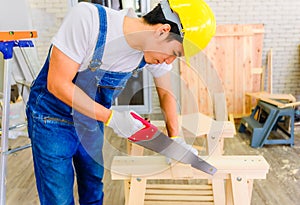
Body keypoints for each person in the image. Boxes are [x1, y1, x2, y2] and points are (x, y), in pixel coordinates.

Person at [26, 0, 216, 204]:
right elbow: (58, 84)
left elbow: (166, 93)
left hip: (90, 122)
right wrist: (113, 119)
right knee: (59, 198)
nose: (169, 62)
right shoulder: (88, 19)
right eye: (174, 53)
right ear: (162, 31)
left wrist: (175, 138)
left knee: (93, 187)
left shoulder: (151, 52)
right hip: (51, 120)